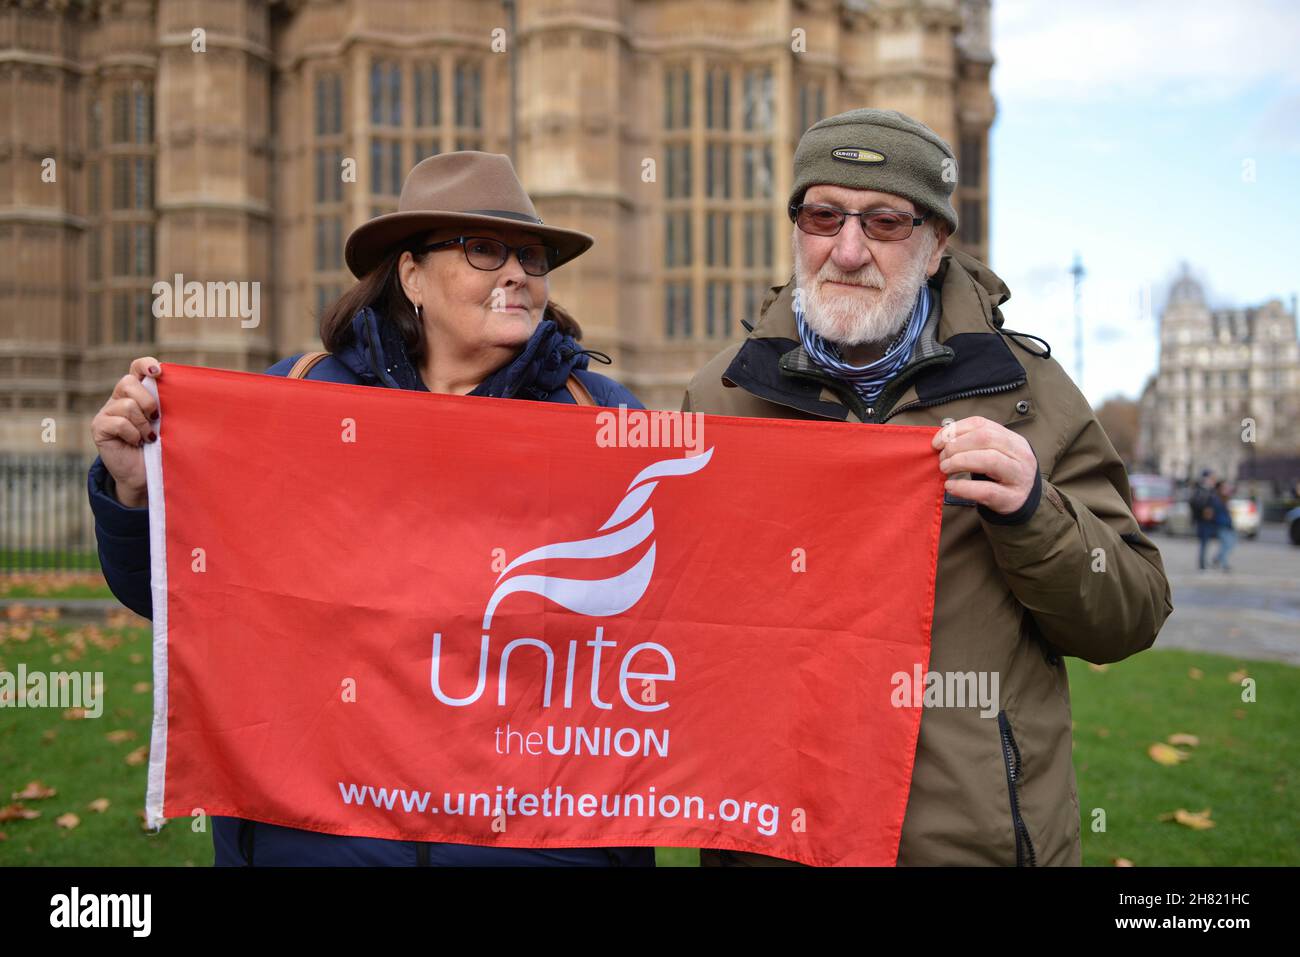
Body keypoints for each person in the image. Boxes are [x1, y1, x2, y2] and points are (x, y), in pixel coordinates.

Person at [87, 151, 652, 867]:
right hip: (321, 839)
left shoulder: (602, 420)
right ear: (411, 273)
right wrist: (138, 492)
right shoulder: (298, 401)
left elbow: (679, 618)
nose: (517, 272)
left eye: (532, 257)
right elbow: (185, 596)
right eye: (484, 250)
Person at [683, 108, 1174, 866]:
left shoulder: (1029, 394)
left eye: (884, 222)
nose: (847, 250)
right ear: (796, 229)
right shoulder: (720, 396)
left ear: (936, 243)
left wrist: (1033, 511)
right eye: (824, 216)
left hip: (968, 843)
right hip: (776, 842)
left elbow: (1130, 611)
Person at [1190, 469, 1219, 571]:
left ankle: (1204, 561)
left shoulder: (1210, 490)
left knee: (1206, 542)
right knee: (1204, 542)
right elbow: (1195, 504)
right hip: (1203, 520)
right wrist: (1205, 510)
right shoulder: (1201, 490)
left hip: (1210, 521)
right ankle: (1202, 563)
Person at [1210, 480, 1237, 571]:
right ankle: (1224, 564)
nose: (1226, 489)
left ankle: (1217, 558)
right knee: (1226, 544)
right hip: (1221, 525)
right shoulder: (1216, 499)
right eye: (1224, 487)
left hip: (1227, 525)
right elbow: (1216, 514)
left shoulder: (1224, 498)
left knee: (1229, 544)